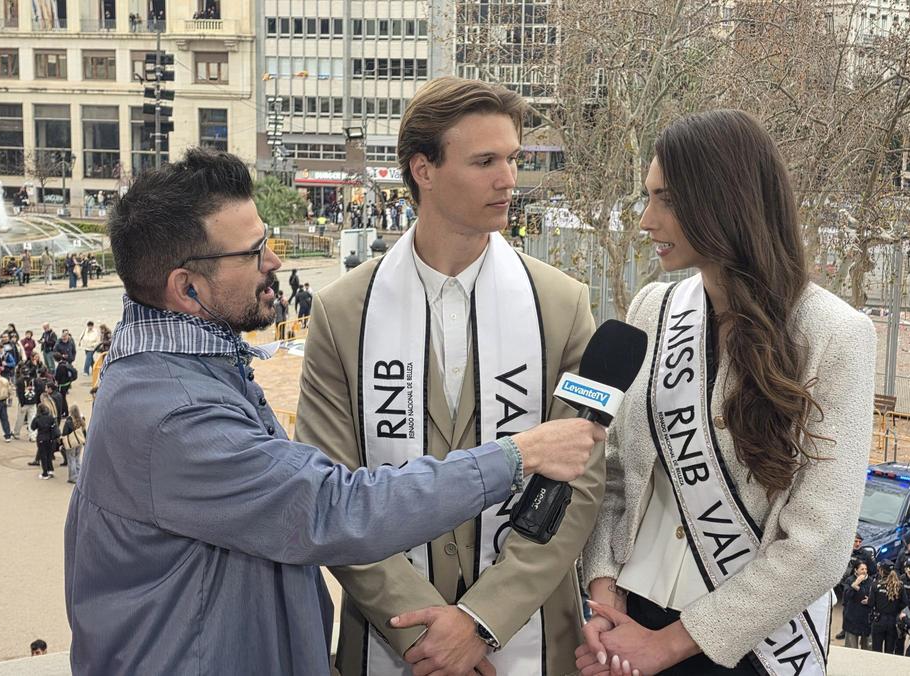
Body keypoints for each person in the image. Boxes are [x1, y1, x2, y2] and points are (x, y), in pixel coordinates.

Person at [64, 148, 602, 673]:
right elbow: (332, 507)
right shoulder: (173, 416)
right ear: (187, 287)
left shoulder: (191, 366)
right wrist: (516, 454)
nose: (274, 262)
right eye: (253, 252)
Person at [295, 76, 602, 675]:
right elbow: (327, 491)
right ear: (423, 169)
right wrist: (424, 635)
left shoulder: (564, 305)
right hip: (395, 642)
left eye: (513, 159)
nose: (509, 179)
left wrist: (481, 622)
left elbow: (581, 481)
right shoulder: (341, 313)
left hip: (529, 636)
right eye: (486, 160)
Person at [577, 110, 876, 676]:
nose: (645, 220)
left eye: (664, 199)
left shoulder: (834, 334)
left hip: (745, 643)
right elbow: (617, 468)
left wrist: (666, 646)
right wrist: (602, 587)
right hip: (629, 614)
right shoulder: (652, 308)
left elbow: (819, 545)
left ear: (723, 201)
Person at [834, 533, 877, 641]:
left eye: (859, 542)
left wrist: (865, 580)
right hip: (846, 583)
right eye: (855, 541)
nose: (857, 544)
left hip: (860, 585)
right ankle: (845, 629)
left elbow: (873, 570)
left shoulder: (865, 554)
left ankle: (858, 631)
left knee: (857, 609)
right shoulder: (844, 551)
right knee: (846, 608)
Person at [869, 562, 905, 654]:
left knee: (876, 650)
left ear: (881, 571)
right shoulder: (899, 586)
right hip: (893, 621)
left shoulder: (876, 585)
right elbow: (905, 603)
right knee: (890, 650)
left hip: (878, 620)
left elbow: (871, 603)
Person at [842, 562, 873, 650]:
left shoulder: (871, 581)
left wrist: (857, 587)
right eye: (862, 569)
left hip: (866, 618)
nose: (864, 571)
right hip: (852, 617)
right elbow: (847, 596)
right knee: (851, 648)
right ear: (856, 570)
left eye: (866, 569)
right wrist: (856, 583)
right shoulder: (849, 580)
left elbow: (869, 595)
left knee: (867, 648)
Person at [31, 404, 59, 479]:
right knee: (49, 455)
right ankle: (50, 470)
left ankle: (45, 473)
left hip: (41, 439)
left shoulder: (37, 418)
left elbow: (32, 427)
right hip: (50, 439)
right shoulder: (51, 417)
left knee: (43, 456)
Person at [63, 403, 86, 483]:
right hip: (79, 442)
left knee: (71, 459)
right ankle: (79, 475)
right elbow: (84, 432)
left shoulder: (69, 421)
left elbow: (65, 432)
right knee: (77, 459)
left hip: (71, 443)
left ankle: (73, 477)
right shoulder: (81, 420)